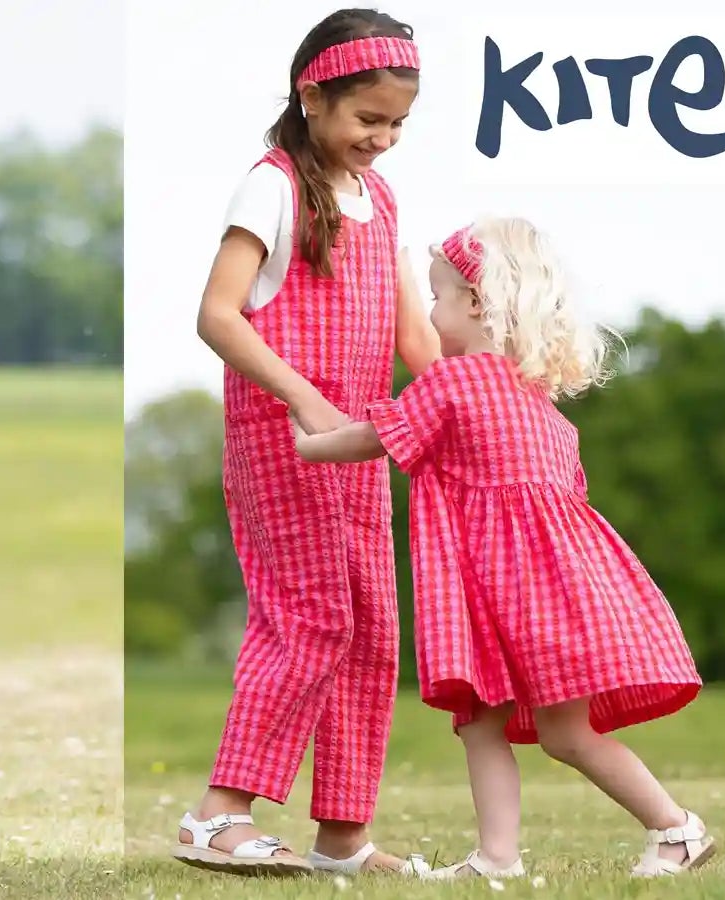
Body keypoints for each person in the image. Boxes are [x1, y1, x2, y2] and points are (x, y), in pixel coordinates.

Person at [293, 217, 715, 879]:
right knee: (513, 728)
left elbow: (374, 437)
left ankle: (675, 827)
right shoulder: (543, 408)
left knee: (538, 731)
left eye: (435, 297)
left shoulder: (456, 383)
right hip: (548, 594)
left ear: (476, 303)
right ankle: (497, 858)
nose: (429, 312)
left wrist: (308, 438)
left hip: (511, 600)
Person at [169, 7, 437, 878]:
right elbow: (217, 314)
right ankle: (218, 814)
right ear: (313, 95)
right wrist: (305, 398)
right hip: (283, 440)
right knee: (309, 620)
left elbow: (417, 341)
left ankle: (343, 837)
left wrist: (475, 405)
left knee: (371, 632)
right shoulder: (273, 184)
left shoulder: (384, 200)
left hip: (363, 447)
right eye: (369, 119)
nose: (383, 138)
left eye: (397, 122)